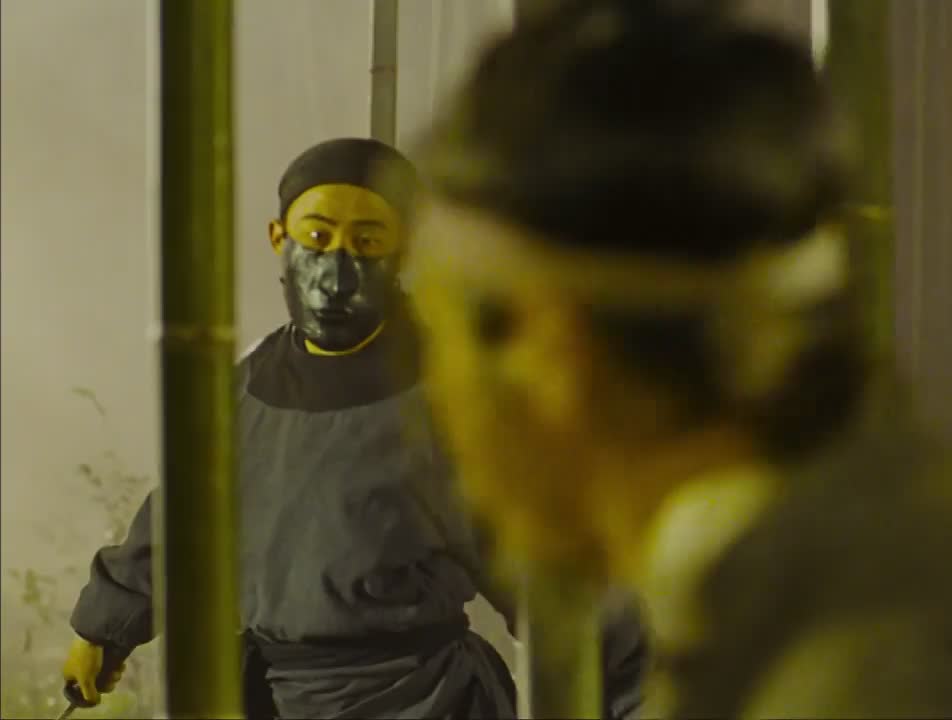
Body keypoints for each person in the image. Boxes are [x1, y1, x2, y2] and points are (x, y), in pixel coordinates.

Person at [401, 1, 952, 716]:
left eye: (436, 337)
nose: (437, 398)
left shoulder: (878, 680)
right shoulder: (859, 589)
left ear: (551, 347)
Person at [60, 137, 648, 719]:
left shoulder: (455, 401)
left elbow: (556, 584)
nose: (335, 276)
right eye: (316, 238)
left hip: (417, 703)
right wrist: (106, 627)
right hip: (272, 696)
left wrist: (639, 697)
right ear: (279, 239)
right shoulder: (247, 385)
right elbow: (184, 518)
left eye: (367, 244)